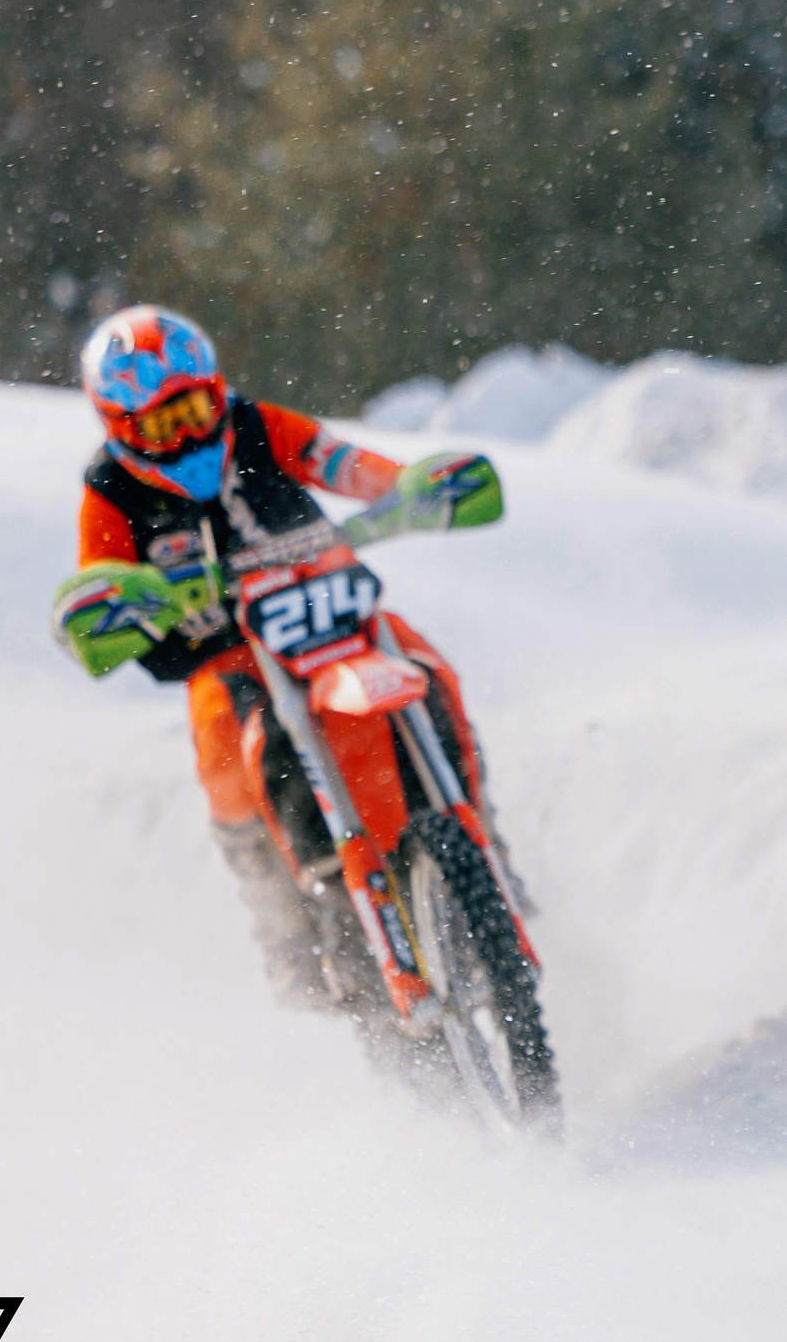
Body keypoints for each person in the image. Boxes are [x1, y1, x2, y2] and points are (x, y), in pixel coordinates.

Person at [50, 304, 504, 1007]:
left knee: (426, 664)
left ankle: (482, 831)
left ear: (216, 388)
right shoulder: (111, 489)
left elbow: (340, 461)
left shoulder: (257, 424)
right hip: (224, 647)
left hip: (327, 605)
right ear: (121, 425)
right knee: (224, 740)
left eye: (196, 409)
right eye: (165, 425)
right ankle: (287, 922)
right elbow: (99, 578)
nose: (190, 433)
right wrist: (129, 601)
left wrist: (404, 488)